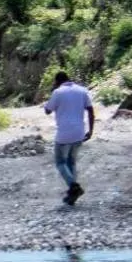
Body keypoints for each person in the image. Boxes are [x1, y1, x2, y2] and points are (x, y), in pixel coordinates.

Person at [43, 71, 96, 205]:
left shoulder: (57, 92)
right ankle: (72, 193)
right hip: (79, 133)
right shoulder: (82, 90)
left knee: (60, 162)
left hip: (63, 135)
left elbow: (47, 111)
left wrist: (52, 93)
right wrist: (90, 131)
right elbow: (90, 110)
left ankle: (74, 187)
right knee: (71, 162)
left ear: (57, 81)